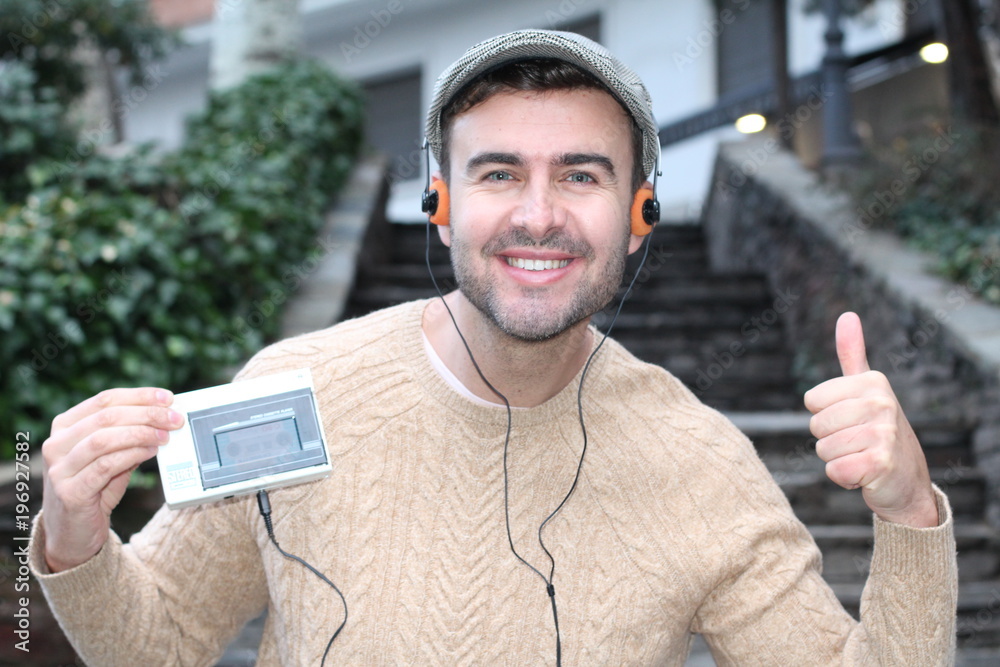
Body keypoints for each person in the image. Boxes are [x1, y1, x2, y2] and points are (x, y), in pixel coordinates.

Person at [32, 29, 956, 665]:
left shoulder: (702, 461)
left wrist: (911, 510)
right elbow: (159, 642)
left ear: (640, 216)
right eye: (499, 171)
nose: (538, 214)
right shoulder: (294, 387)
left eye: (582, 175)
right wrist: (75, 536)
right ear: (441, 204)